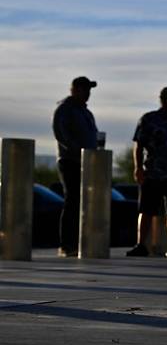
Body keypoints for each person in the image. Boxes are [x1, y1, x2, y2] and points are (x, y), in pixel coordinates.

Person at [126, 86, 167, 258]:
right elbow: (139, 144)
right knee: (147, 209)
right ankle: (141, 244)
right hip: (154, 173)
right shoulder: (150, 119)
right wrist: (138, 167)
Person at [52, 76, 99, 257]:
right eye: (84, 90)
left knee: (83, 203)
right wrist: (76, 150)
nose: (87, 94)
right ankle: (67, 245)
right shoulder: (64, 109)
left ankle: (81, 242)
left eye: (89, 90)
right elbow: (60, 134)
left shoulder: (86, 112)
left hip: (88, 163)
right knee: (72, 201)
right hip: (70, 161)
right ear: (74, 90)